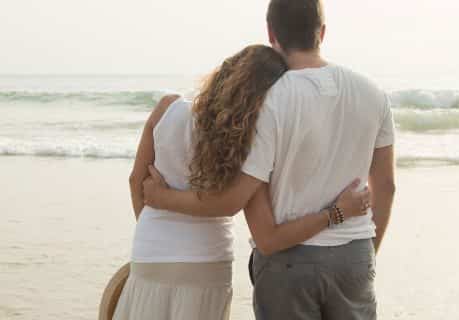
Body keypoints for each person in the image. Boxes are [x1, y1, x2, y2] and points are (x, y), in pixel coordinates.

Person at [143, 1, 396, 319]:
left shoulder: (267, 99)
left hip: (288, 262)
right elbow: (386, 186)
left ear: (271, 32)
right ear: (322, 32)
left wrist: (160, 196)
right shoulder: (373, 92)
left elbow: (238, 199)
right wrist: (365, 254)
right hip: (354, 255)